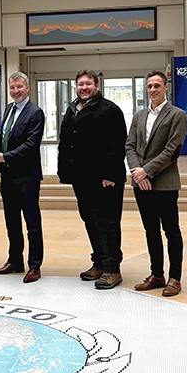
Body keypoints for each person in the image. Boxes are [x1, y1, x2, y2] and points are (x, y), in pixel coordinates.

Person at [57, 69, 127, 289]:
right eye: (80, 84)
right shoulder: (72, 109)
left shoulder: (110, 110)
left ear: (97, 86)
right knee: (90, 220)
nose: (84, 88)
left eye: (88, 84)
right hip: (81, 178)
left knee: (107, 223)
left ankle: (112, 268)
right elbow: (65, 141)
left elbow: (117, 145)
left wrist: (109, 175)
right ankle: (98, 262)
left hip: (104, 179)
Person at [126, 70, 187, 297]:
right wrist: (136, 173)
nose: (153, 90)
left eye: (157, 86)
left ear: (165, 88)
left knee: (171, 231)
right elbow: (130, 146)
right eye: (150, 86)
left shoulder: (177, 115)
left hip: (165, 184)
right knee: (150, 230)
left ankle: (175, 277)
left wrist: (146, 172)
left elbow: (172, 151)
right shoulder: (139, 115)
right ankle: (157, 274)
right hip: (141, 184)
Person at [0, 72, 45, 283]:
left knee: (32, 223)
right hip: (8, 176)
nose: (15, 91)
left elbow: (31, 145)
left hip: (27, 177)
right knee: (11, 221)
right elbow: (4, 137)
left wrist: (5, 156)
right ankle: (15, 260)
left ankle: (35, 265)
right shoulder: (9, 109)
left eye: (19, 87)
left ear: (27, 88)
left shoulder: (35, 112)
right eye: (12, 88)